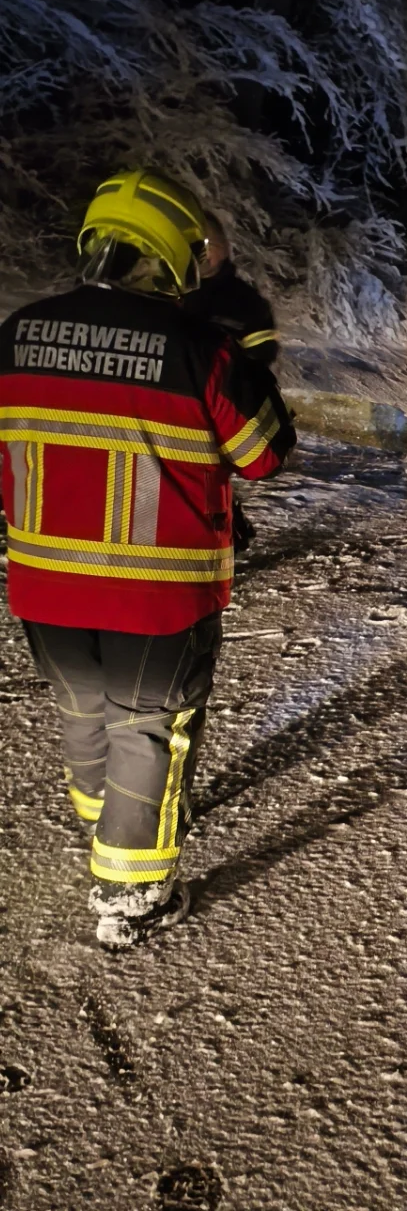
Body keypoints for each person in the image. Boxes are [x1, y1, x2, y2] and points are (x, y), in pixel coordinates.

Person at [0, 170, 295, 949]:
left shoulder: (18, 333)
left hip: (43, 584)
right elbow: (264, 456)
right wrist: (244, 363)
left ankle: (106, 826)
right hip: (156, 594)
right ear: (172, 255)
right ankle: (130, 894)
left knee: (81, 711)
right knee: (148, 729)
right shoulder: (198, 350)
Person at [184, 214, 281, 552]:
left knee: (213, 470)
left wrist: (237, 378)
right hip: (180, 397)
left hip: (221, 399)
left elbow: (262, 352)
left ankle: (226, 526)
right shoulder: (172, 293)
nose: (211, 255)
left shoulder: (243, 300)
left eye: (213, 248)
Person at [184, 214, 280, 367]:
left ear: (223, 250)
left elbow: (260, 361)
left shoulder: (248, 304)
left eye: (208, 245)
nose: (201, 254)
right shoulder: (164, 291)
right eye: (194, 246)